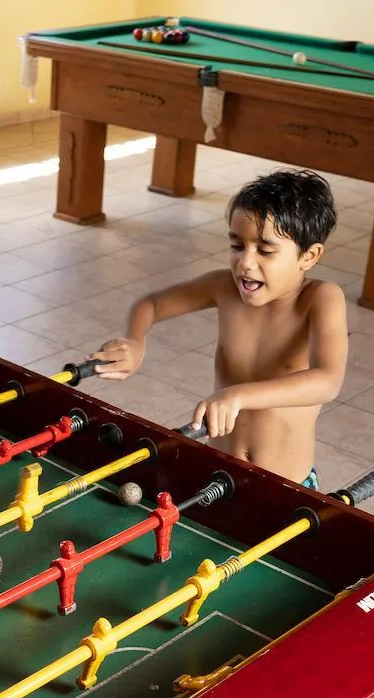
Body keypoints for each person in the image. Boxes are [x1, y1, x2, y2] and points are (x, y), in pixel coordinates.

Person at [91, 168, 349, 488]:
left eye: (265, 250)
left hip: (286, 487)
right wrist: (135, 339)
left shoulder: (321, 298)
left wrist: (238, 395)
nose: (245, 262)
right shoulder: (223, 287)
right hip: (216, 479)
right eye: (237, 245)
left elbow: (328, 381)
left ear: (309, 256)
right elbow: (152, 304)